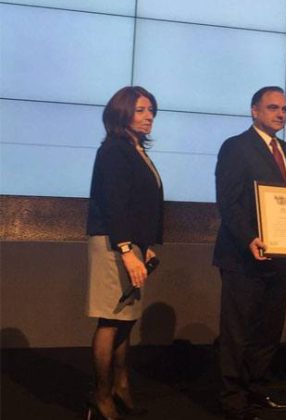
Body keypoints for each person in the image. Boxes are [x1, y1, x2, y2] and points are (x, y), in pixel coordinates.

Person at [213, 86, 286, 420]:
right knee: (237, 331)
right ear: (254, 110)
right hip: (243, 256)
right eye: (273, 107)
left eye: (284, 108)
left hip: (281, 254)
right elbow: (228, 201)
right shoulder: (236, 146)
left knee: (268, 330)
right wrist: (249, 238)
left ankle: (256, 389)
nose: (280, 114)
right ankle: (232, 399)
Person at [86, 86, 163, 420]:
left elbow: (143, 205)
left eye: (151, 111)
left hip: (131, 245)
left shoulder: (135, 149)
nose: (148, 117)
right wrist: (127, 250)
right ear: (122, 113)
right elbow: (115, 204)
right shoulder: (114, 150)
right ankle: (101, 394)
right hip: (114, 244)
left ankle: (120, 386)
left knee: (125, 319)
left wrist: (146, 246)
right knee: (110, 318)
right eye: (140, 110)